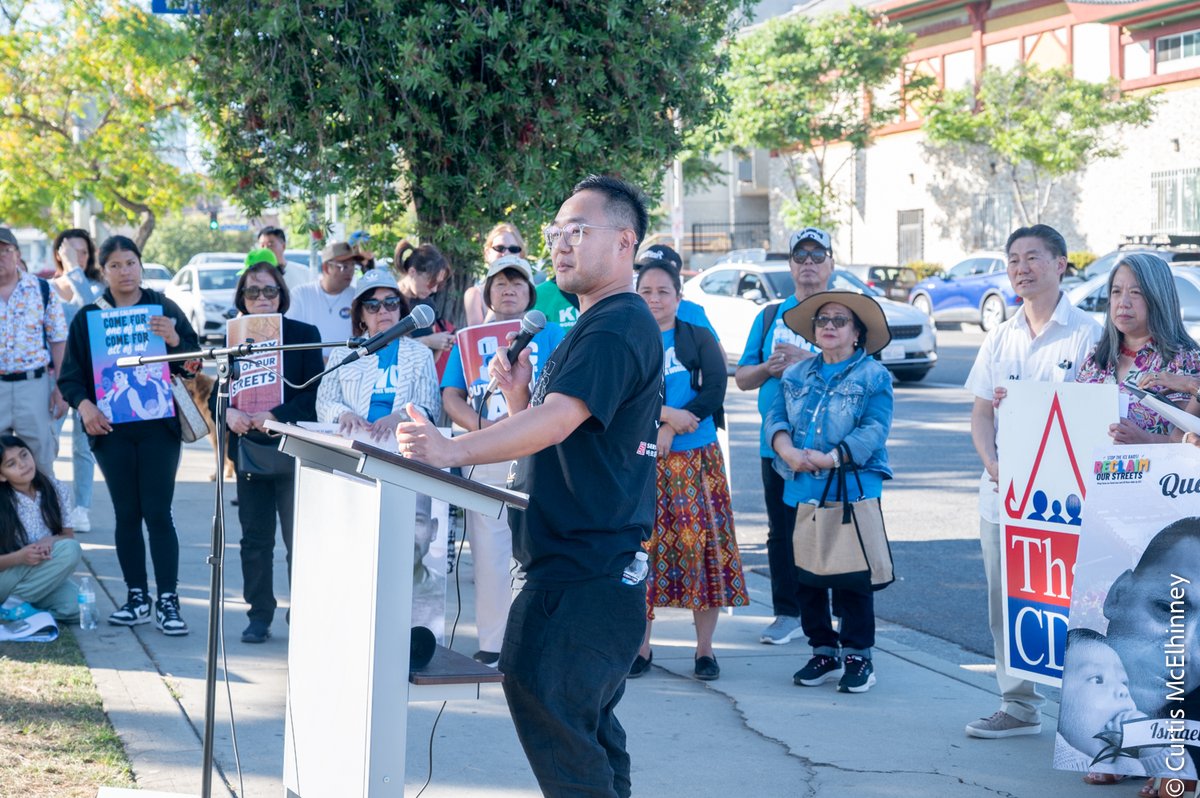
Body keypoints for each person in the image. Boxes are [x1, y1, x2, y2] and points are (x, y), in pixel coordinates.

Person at [396, 175, 662, 798]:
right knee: (583, 732)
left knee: (564, 731)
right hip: (572, 567)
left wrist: (452, 449)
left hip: (585, 572)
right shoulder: (590, 326)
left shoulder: (617, 325)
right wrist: (517, 398)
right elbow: (558, 434)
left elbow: (562, 419)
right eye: (555, 233)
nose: (561, 245)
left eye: (578, 231)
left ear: (625, 242)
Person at [965, 224, 1102, 738]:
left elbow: (1097, 415)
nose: (1022, 268)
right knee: (1008, 600)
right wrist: (994, 464)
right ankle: (1018, 706)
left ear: (1061, 264)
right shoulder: (999, 336)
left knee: (1077, 604)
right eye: (1014, 260)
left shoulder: (1090, 334)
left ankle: (1088, 715)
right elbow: (980, 415)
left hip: (1070, 503)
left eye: (1033, 258)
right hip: (1004, 496)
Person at [57, 235, 200, 635]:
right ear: (102, 272)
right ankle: (137, 597)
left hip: (159, 429)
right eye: (115, 265)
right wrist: (85, 407)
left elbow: (193, 364)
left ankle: (168, 601)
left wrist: (173, 339)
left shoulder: (163, 308)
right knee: (126, 514)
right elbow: (70, 378)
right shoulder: (89, 317)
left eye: (130, 263)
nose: (125, 271)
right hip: (111, 432)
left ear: (140, 264)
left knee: (158, 512)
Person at [764, 290, 894, 693]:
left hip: (851, 485)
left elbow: (874, 429)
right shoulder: (795, 375)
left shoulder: (874, 376)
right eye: (823, 321)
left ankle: (858, 656)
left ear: (857, 332)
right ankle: (822, 649)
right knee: (805, 575)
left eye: (840, 321)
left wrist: (832, 458)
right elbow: (776, 416)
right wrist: (783, 447)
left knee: (852, 575)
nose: (830, 327)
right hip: (799, 485)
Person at [440, 253, 564, 666]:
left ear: (530, 292)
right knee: (491, 554)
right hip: (486, 453)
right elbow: (450, 396)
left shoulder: (555, 335)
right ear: (487, 290)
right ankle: (494, 643)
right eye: (500, 283)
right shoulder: (468, 337)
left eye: (517, 283)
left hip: (542, 453)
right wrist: (482, 429)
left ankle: (541, 641)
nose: (508, 289)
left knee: (543, 551)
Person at [629, 259, 748, 682]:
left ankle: (704, 650)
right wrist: (661, 418)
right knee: (640, 554)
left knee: (705, 553)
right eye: (647, 291)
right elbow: (621, 398)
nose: (655, 299)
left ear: (679, 298)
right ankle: (640, 646)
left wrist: (678, 421)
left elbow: (715, 389)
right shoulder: (628, 341)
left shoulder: (698, 336)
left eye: (664, 291)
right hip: (643, 462)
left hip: (698, 460)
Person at [214, 254, 323, 643]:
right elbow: (218, 394)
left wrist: (278, 414)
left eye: (270, 290)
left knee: (300, 539)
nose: (262, 297)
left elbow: (316, 395)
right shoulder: (232, 337)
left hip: (294, 448)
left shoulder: (305, 333)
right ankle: (259, 614)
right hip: (250, 452)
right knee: (254, 541)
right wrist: (228, 415)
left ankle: (305, 610)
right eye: (253, 291)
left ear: (282, 294)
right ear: (242, 297)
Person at [734, 227, 831, 645]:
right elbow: (741, 377)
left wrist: (808, 360)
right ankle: (787, 613)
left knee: (828, 529)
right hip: (773, 443)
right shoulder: (771, 315)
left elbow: (864, 372)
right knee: (781, 531)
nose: (808, 263)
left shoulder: (843, 313)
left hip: (828, 446)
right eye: (800, 256)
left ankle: (829, 619)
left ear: (831, 263)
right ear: (790, 264)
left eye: (817, 255)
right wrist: (769, 370)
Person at [1074, 253, 1200, 446]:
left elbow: (1188, 443)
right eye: (1116, 292)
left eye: (1136, 292)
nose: (1123, 302)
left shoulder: (1184, 359)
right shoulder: (1096, 357)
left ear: (1158, 298)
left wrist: (1146, 440)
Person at [316, 268, 440, 439]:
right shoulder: (341, 354)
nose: (383, 311)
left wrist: (399, 417)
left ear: (400, 308)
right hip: (351, 444)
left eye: (390, 302)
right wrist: (344, 415)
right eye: (372, 306)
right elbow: (324, 402)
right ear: (361, 315)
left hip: (404, 446)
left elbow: (431, 407)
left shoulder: (421, 354)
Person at [0, 226, 68, 476]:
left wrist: (61, 388)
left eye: (5, 251)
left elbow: (59, 340)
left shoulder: (41, 290)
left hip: (34, 386)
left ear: (17, 254)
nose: (1, 258)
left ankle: (47, 515)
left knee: (40, 463)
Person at [49, 229, 103, 532]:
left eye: (83, 252)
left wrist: (75, 272)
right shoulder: (45, 289)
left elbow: (90, 312)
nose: (78, 257)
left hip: (88, 380)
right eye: (71, 251)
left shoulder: (94, 288)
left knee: (84, 448)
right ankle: (54, 504)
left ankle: (81, 507)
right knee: (48, 444)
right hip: (55, 379)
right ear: (58, 252)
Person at [0, 434, 81, 621]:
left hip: (39, 573)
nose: (22, 464)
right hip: (8, 574)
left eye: (24, 455)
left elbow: (68, 536)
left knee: (76, 606)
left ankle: (18, 608)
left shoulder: (56, 488)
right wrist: (20, 557)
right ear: (2, 475)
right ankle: (15, 603)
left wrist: (50, 540)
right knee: (70, 549)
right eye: (11, 464)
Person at [1056, 629, 1157, 775]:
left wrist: (1152, 746)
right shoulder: (1060, 753)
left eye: (1124, 682)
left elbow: (1179, 778)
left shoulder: (1129, 762)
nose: (1123, 690)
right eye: (1097, 679)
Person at [286, 240, 361, 359]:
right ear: (326, 268)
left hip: (348, 370)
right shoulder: (300, 295)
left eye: (353, 266)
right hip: (310, 370)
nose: (350, 271)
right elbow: (291, 338)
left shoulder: (357, 298)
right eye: (344, 266)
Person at [393, 240, 453, 354]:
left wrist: (441, 343)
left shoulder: (427, 304)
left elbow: (431, 356)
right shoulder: (388, 303)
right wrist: (427, 341)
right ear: (412, 272)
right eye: (431, 283)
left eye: (438, 284)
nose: (434, 290)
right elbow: (387, 349)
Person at [464, 223, 526, 328]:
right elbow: (477, 339)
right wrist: (496, 307)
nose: (506, 254)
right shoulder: (475, 294)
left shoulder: (531, 291)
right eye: (500, 248)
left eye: (513, 249)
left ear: (521, 255)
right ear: (487, 253)